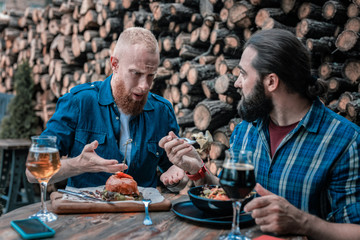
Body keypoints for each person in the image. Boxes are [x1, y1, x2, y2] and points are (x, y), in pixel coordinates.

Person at [159, 29, 360, 239]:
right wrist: (199, 171)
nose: (236, 83)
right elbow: (237, 198)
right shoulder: (246, 131)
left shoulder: (346, 142)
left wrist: (303, 222)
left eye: (243, 74)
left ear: (271, 82)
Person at [26, 27, 185, 190]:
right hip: (85, 213)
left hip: (143, 212)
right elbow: (33, 172)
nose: (144, 86)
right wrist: (79, 165)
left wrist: (177, 176)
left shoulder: (162, 111)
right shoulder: (79, 102)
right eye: (136, 74)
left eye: (150, 75)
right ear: (114, 64)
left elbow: (176, 174)